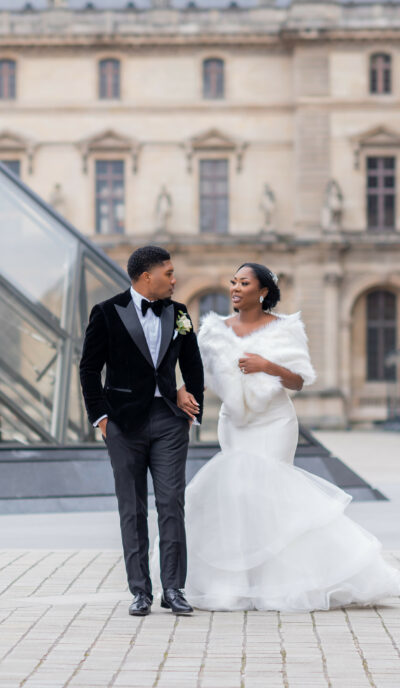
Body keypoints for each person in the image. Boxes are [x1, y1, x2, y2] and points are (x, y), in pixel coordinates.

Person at [153, 262, 400, 611]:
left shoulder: (286, 329)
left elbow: (299, 380)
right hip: (234, 423)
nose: (235, 288)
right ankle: (237, 585)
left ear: (263, 291)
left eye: (244, 282)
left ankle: (278, 585)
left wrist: (266, 366)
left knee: (270, 496)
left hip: (274, 423)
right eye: (233, 282)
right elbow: (202, 376)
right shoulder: (213, 331)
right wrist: (182, 391)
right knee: (238, 497)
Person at [79, 246, 204, 616]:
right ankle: (140, 592)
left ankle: (174, 589)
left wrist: (191, 405)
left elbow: (192, 363)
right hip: (123, 423)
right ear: (146, 277)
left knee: (171, 503)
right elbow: (88, 369)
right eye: (168, 273)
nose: (174, 279)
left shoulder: (179, 313)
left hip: (168, 420)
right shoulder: (105, 311)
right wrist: (100, 418)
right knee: (131, 508)